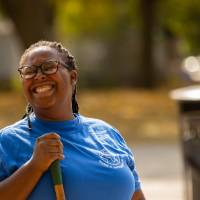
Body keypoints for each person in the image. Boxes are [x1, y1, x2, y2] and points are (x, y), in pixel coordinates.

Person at [0, 40, 145, 200]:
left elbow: (136, 196)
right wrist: (34, 166)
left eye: (48, 67)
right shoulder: (7, 142)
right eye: (29, 71)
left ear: (73, 76)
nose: (39, 75)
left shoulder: (107, 133)